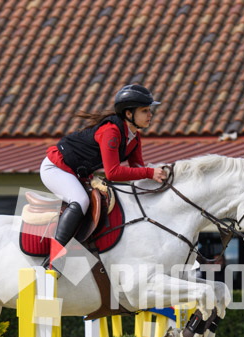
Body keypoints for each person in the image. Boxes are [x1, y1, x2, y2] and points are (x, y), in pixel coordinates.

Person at [39, 84, 167, 266]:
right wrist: (149, 172)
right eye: (145, 110)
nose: (150, 115)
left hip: (77, 174)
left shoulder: (134, 138)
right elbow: (113, 173)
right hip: (56, 167)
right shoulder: (111, 131)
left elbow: (137, 168)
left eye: (149, 110)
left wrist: (158, 175)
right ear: (129, 113)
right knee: (81, 201)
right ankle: (53, 259)